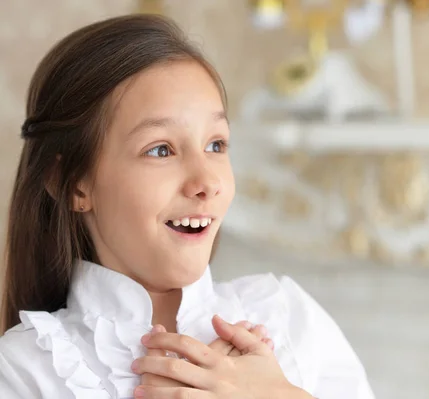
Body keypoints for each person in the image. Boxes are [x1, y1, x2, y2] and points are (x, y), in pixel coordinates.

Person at [0, 13, 375, 399]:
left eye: (216, 144)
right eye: (161, 150)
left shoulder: (287, 316)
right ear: (71, 183)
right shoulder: (26, 369)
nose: (207, 183)